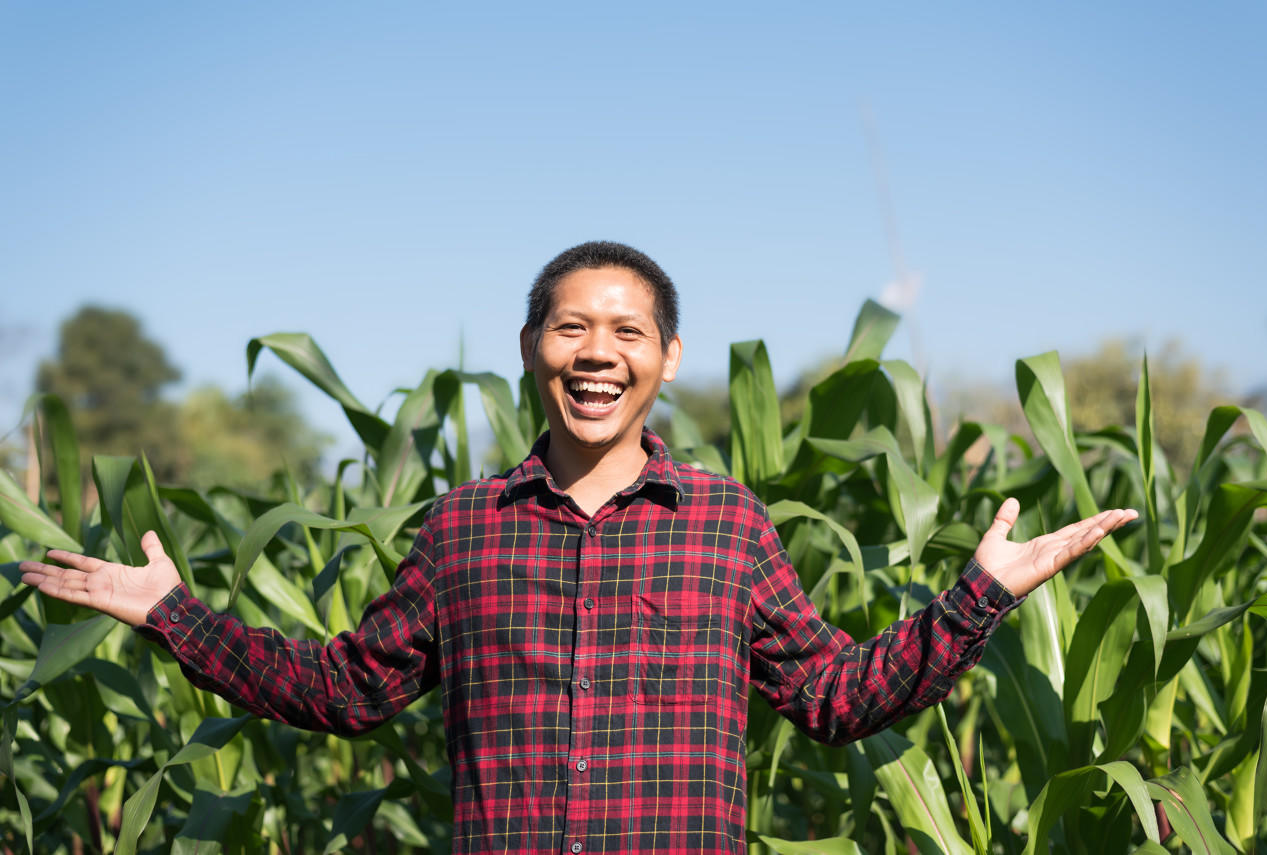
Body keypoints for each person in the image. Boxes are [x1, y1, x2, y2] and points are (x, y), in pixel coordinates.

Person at [20, 240, 1137, 854]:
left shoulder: (724, 525)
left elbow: (833, 699)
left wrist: (977, 597)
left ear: (666, 357)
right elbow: (348, 690)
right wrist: (175, 610)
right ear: (529, 348)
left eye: (625, 331)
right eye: (570, 327)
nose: (595, 352)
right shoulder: (462, 530)